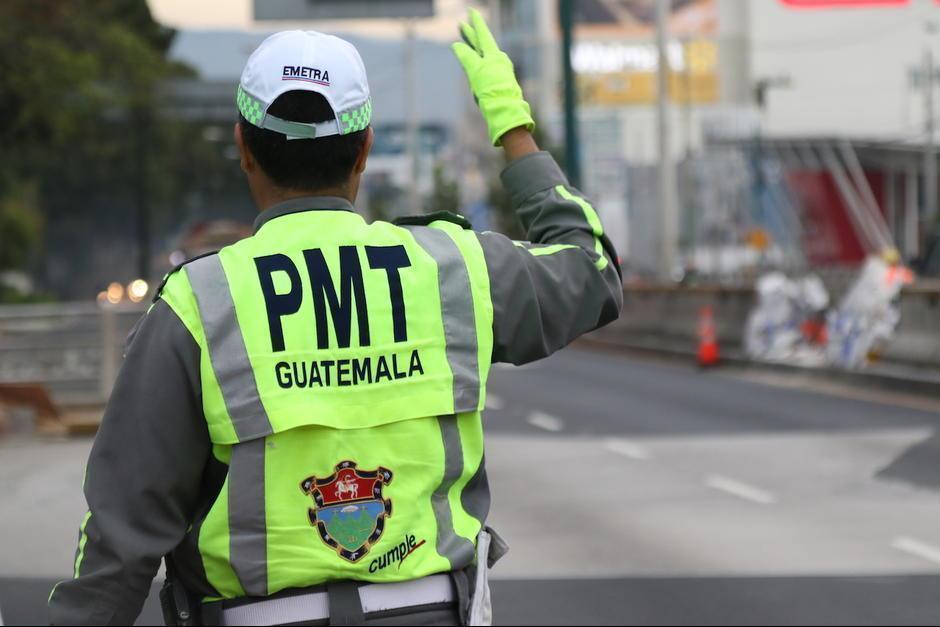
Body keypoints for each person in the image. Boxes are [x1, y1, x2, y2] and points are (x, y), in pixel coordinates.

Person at [48, 10, 622, 626]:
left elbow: (120, 539)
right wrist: (514, 127)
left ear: (243, 148)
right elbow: (592, 272)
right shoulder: (455, 269)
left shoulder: (199, 303)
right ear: (366, 147)